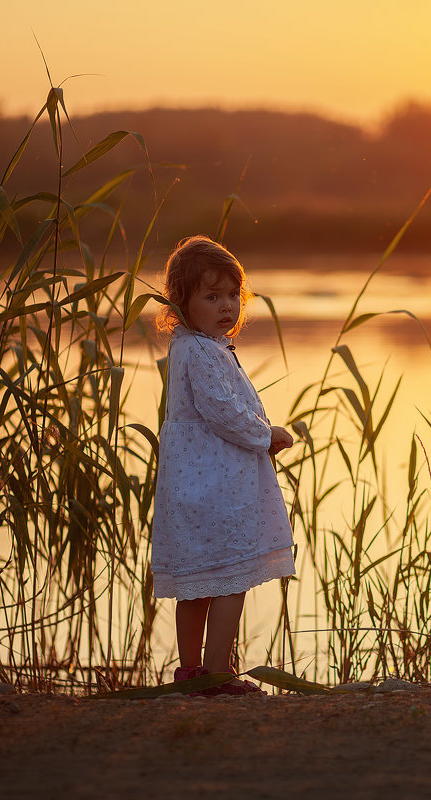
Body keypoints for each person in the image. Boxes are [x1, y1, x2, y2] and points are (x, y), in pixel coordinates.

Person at [150, 235, 296, 696]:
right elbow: (223, 411)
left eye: (233, 295)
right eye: (211, 297)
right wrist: (266, 435)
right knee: (231, 577)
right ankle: (216, 674)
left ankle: (191, 672)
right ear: (181, 301)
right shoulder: (201, 352)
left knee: (197, 583)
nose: (226, 306)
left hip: (197, 486)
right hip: (217, 490)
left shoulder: (195, 347)